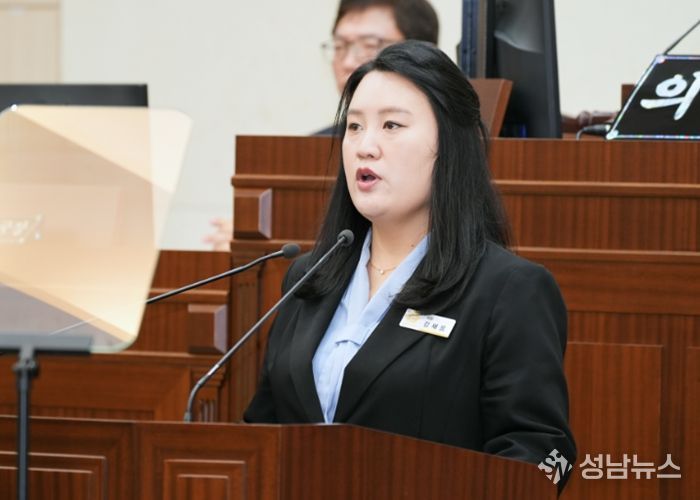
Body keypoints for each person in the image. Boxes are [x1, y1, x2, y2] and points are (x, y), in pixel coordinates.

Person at [244, 41, 577, 489]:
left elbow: (548, 455)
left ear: (449, 145)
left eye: (392, 125)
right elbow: (262, 432)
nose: (365, 146)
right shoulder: (308, 278)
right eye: (354, 126)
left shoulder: (509, 291)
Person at [205, 0, 439, 249]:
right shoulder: (308, 152)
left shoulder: (446, 141)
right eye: (340, 46)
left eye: (369, 46)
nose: (348, 62)